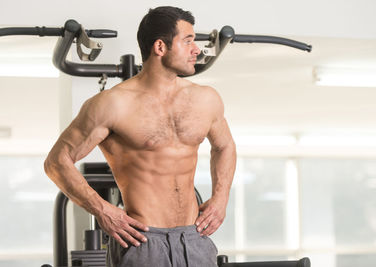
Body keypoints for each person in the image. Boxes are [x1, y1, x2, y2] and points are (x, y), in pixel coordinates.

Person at [44, 6, 236, 267]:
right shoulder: (112, 104)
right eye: (188, 41)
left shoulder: (206, 99)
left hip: (194, 237)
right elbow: (56, 162)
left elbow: (224, 147)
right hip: (143, 242)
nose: (197, 50)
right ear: (160, 47)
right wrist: (103, 210)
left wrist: (220, 199)